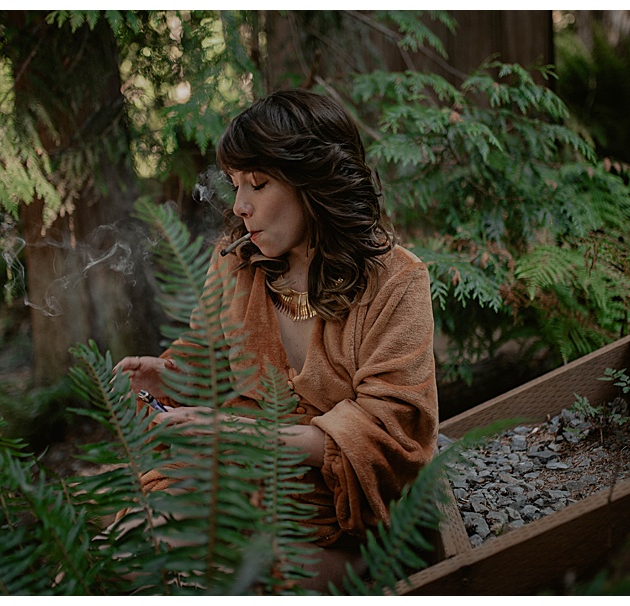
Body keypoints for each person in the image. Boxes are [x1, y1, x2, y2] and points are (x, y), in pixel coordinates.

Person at [115, 89, 439, 590]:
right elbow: (211, 353)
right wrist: (170, 376)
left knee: (222, 568)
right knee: (128, 543)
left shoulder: (396, 282)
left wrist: (242, 435)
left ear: (314, 181)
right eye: (235, 185)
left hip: (336, 518)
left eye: (259, 184)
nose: (240, 206)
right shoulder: (236, 263)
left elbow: (390, 436)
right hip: (238, 480)